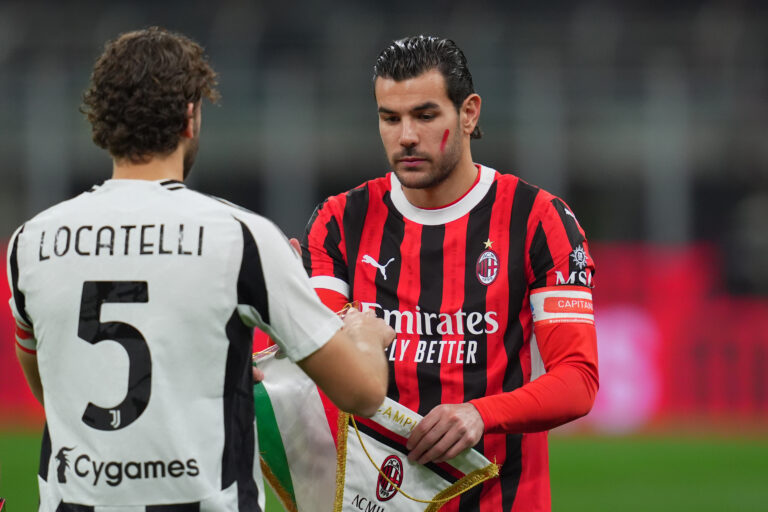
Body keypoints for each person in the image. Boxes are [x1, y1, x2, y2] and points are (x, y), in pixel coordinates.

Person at [7, 27, 393, 511]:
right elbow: (362, 393)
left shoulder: (31, 242)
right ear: (190, 118)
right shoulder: (240, 238)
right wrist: (366, 335)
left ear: (100, 123)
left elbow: (52, 385)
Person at [301, 35, 599, 511]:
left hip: (502, 498)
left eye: (424, 115)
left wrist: (481, 414)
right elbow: (313, 365)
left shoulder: (539, 220)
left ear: (469, 113)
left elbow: (577, 379)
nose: (406, 137)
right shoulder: (338, 222)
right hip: (373, 500)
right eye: (389, 118)